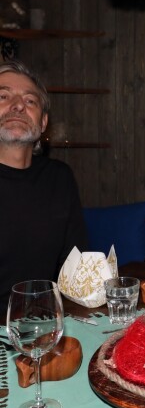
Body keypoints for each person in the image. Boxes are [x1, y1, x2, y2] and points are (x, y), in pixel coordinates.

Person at [0, 60, 87, 316]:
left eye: (30, 101)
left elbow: (74, 270)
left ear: (43, 122)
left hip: (46, 328)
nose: (17, 105)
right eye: (4, 96)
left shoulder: (60, 178)